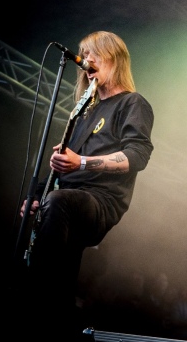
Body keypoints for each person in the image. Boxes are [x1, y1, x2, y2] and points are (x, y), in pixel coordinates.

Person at [18, 30, 155, 340]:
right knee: (57, 220)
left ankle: (35, 302)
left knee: (62, 201)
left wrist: (80, 162)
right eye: (84, 53)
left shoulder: (133, 103)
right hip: (66, 198)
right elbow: (62, 172)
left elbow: (137, 156)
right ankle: (58, 317)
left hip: (101, 200)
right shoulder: (85, 112)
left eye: (94, 53)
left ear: (114, 59)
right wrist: (36, 195)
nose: (86, 60)